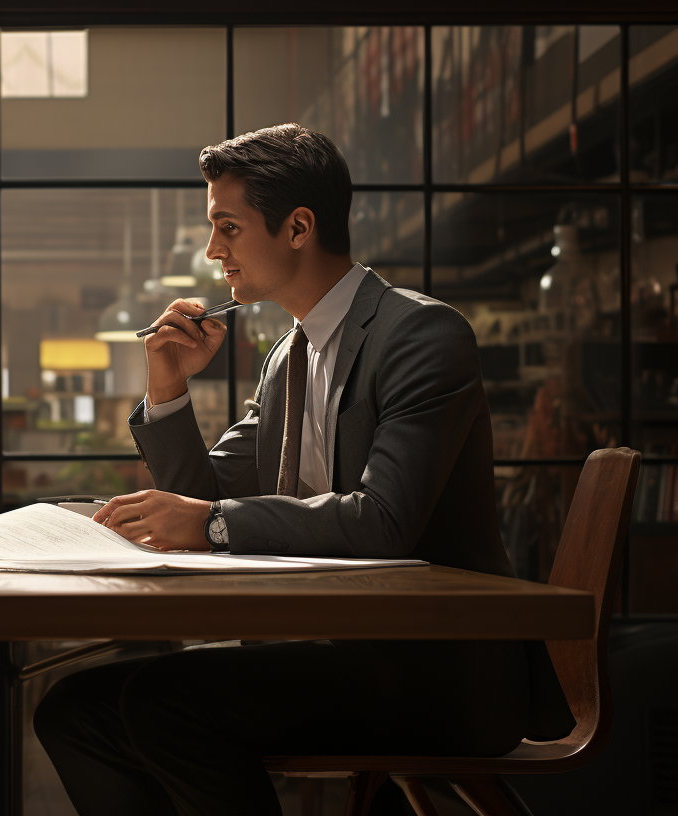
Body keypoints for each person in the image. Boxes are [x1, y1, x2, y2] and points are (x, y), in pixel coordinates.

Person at [33, 124, 572, 815]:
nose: (212, 250)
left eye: (228, 227)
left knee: (164, 703)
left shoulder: (422, 337)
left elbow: (383, 522)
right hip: (339, 650)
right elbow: (202, 502)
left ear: (297, 227)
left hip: (433, 670)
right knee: (73, 708)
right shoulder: (288, 357)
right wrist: (166, 384)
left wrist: (210, 522)